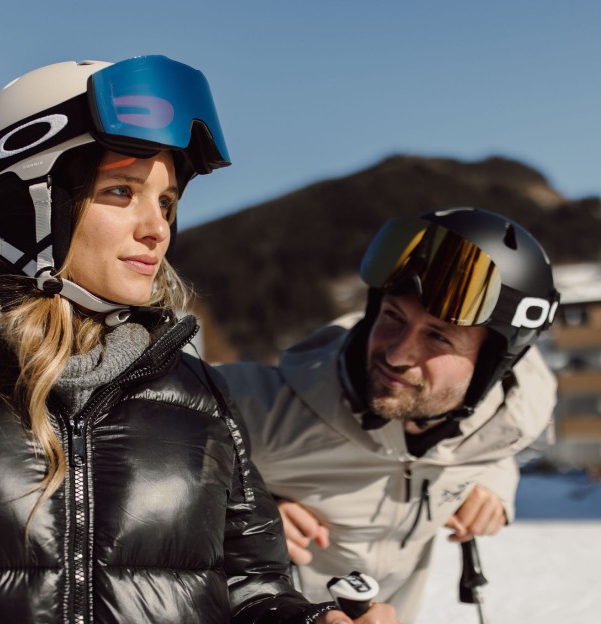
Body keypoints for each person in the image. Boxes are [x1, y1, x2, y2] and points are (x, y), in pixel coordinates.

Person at [0, 56, 396, 624]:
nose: (158, 227)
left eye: (166, 201)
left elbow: (252, 587)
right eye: (122, 192)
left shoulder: (195, 394)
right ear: (28, 203)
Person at [217, 207, 560, 623]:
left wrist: (494, 479)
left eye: (438, 336)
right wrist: (241, 514)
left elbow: (493, 439)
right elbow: (138, 449)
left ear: (493, 365)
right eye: (393, 316)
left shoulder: (517, 412)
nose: (396, 354)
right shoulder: (263, 408)